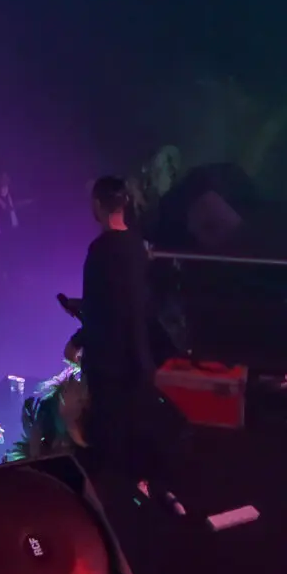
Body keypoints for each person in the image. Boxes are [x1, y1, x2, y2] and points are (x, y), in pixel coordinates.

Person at [70, 174, 169, 507]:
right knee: (133, 441)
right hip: (139, 359)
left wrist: (78, 339)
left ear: (98, 205)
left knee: (108, 445)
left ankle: (111, 510)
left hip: (109, 363)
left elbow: (99, 309)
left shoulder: (100, 251)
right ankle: (138, 502)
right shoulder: (138, 247)